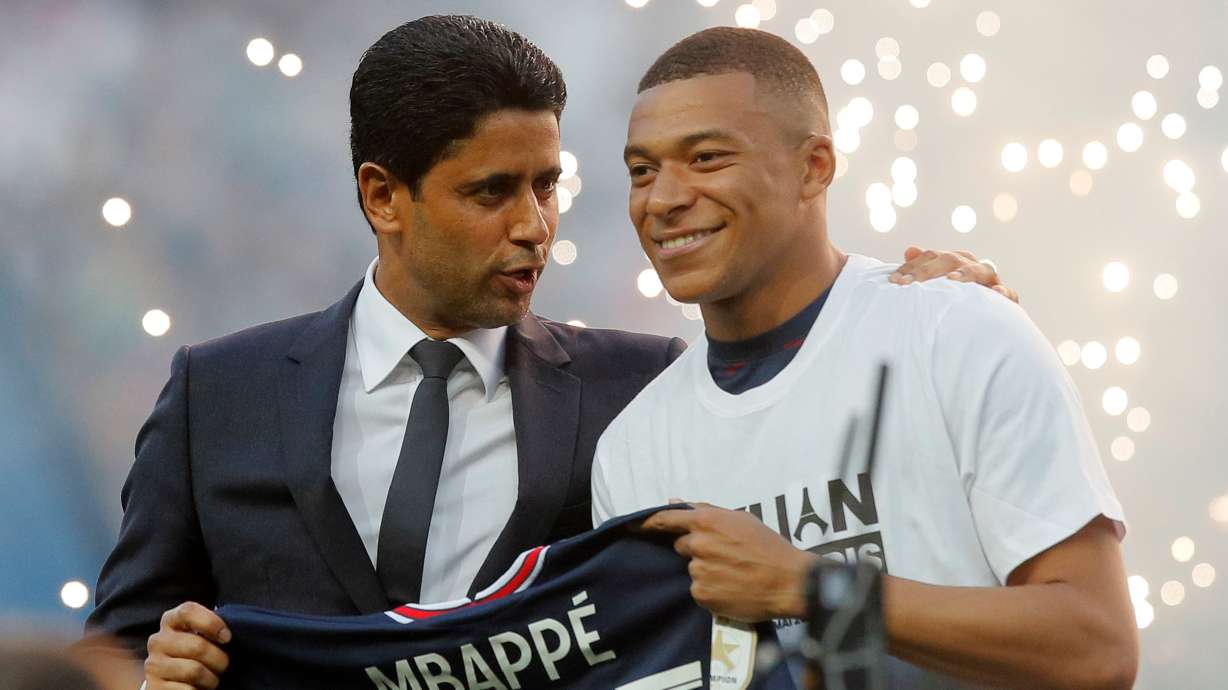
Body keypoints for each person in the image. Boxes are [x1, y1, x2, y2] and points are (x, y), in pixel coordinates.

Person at [83, 16, 1014, 690]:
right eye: (493, 191)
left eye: (549, 185)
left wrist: (924, 298)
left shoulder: (644, 390)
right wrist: (154, 678)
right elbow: (113, 656)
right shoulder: (220, 392)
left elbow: (805, 397)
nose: (536, 227)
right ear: (383, 196)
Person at [592, 27, 1136, 689]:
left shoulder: (958, 331)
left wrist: (810, 586)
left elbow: (1097, 647)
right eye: (641, 171)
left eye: (705, 158)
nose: (663, 198)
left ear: (814, 167)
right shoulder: (632, 449)